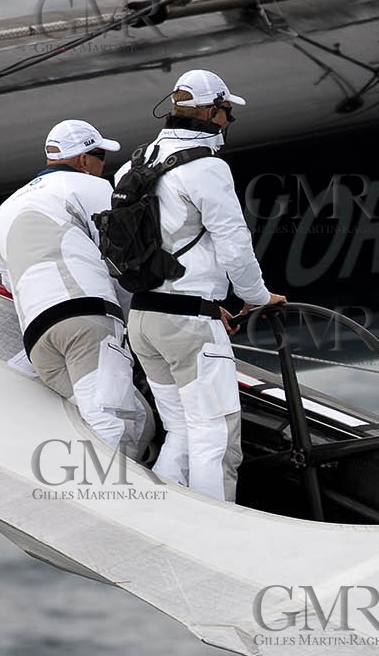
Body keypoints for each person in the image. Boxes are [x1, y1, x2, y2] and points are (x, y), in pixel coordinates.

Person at [119, 70, 285, 502]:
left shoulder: (134, 163)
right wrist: (258, 297)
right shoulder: (208, 167)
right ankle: (218, 532)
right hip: (188, 325)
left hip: (142, 318)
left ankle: (165, 520)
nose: (228, 122)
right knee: (216, 435)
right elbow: (234, 242)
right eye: (227, 112)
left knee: (181, 430)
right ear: (212, 112)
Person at [0, 120, 148, 452]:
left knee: (139, 418)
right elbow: (125, 261)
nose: (103, 166)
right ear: (84, 160)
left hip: (38, 340)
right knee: (113, 424)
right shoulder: (95, 189)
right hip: (86, 321)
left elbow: (9, 282)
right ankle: (106, 499)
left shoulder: (2, 213)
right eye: (100, 156)